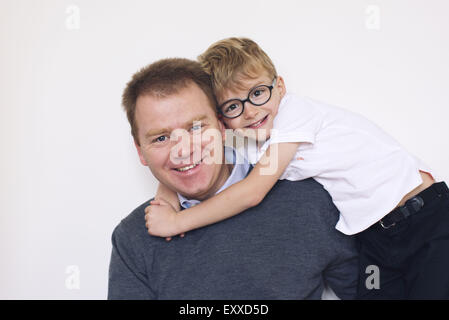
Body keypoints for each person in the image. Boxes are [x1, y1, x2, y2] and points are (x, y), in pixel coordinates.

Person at [145, 38, 449, 299]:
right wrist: (168, 194)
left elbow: (252, 192)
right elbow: (194, 152)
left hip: (424, 217)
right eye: (233, 106)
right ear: (223, 118)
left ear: (280, 87)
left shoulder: (294, 115)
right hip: (376, 239)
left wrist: (176, 222)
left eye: (258, 93)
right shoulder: (255, 139)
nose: (250, 110)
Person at [108, 57, 359, 299]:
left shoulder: (306, 200)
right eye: (161, 138)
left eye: (195, 127)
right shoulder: (134, 238)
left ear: (221, 127)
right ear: (141, 151)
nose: (183, 150)